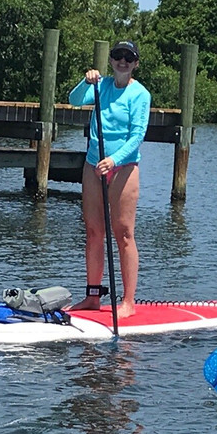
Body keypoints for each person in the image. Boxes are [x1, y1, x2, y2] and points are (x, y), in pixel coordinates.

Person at [68, 41, 151, 318]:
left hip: (123, 166)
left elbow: (137, 136)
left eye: (129, 58)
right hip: (94, 164)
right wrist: (85, 80)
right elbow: (74, 100)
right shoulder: (100, 86)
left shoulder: (140, 95)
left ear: (136, 63)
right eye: (118, 56)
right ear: (112, 60)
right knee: (94, 232)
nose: (123, 61)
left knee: (124, 233)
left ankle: (128, 302)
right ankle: (93, 297)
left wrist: (114, 161)